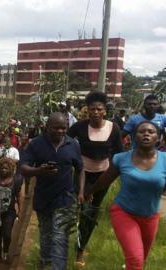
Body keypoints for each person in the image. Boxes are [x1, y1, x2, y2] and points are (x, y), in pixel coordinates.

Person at [86, 121, 166, 270]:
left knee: (141, 260)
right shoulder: (122, 158)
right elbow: (105, 179)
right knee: (136, 260)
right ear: (134, 137)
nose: (146, 134)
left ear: (158, 138)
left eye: (151, 132)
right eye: (142, 132)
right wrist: (88, 192)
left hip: (150, 216)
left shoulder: (164, 160)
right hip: (124, 213)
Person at [21, 112, 85, 270]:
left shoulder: (73, 145)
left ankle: (58, 267)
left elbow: (80, 169)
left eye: (64, 128)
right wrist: (38, 171)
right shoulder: (35, 144)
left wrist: (81, 191)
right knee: (46, 234)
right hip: (44, 198)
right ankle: (45, 262)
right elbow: (23, 167)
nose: (61, 131)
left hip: (65, 199)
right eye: (56, 128)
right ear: (47, 127)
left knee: (60, 237)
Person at [67, 91, 124, 266]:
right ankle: (78, 245)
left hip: (104, 176)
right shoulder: (79, 127)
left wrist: (114, 172)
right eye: (92, 109)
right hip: (83, 174)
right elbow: (66, 142)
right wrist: (73, 160)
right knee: (84, 208)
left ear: (105, 111)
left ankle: (81, 248)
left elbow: (119, 152)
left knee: (92, 212)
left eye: (99, 109)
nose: (96, 112)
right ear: (87, 110)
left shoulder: (113, 128)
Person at [0, 158, 22, 264]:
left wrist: (20, 210)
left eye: (6, 168)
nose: (4, 170)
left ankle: (5, 251)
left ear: (10, 169)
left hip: (9, 212)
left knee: (7, 234)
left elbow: (19, 196)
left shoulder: (15, 181)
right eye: (2, 168)